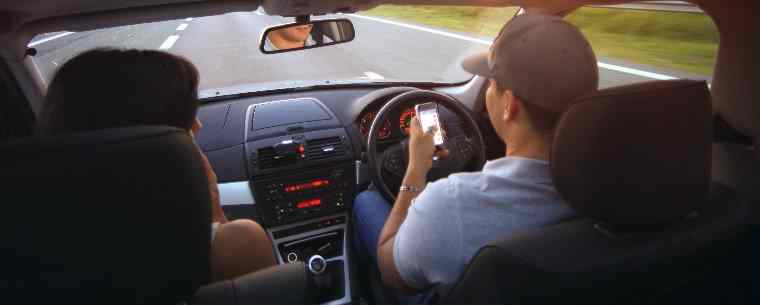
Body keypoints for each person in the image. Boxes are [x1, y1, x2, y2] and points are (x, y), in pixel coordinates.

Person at [352, 14, 599, 299]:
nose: (488, 93)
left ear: (509, 105)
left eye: (492, 83)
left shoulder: (451, 203)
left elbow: (391, 270)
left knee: (365, 201)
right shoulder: (622, 186)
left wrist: (415, 170)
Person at [39, 48, 276, 282]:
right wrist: (211, 212)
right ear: (146, 136)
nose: (198, 126)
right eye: (185, 120)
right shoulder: (236, 245)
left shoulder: (31, 237)